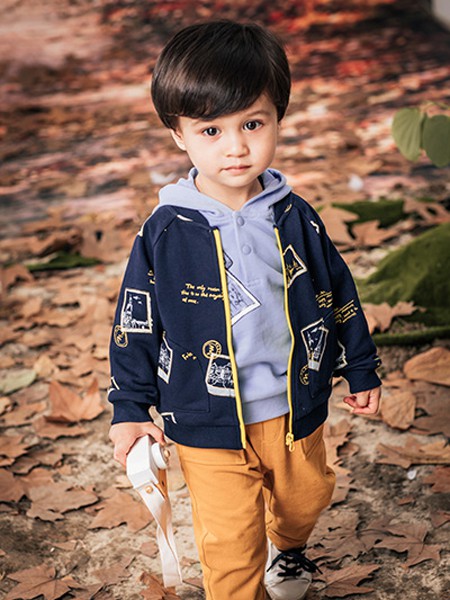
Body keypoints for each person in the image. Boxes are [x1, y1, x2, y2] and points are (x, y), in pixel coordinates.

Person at [108, 20, 382, 600]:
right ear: (179, 134)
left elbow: (338, 290)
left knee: (306, 499)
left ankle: (289, 548)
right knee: (231, 545)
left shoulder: (295, 216)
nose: (235, 146)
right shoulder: (165, 231)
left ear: (278, 118)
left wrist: (360, 367)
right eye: (211, 129)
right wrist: (129, 407)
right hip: (204, 418)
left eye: (252, 124)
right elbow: (136, 319)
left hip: (294, 405)